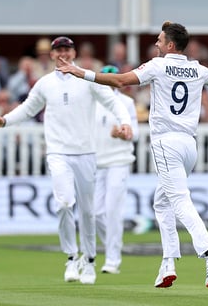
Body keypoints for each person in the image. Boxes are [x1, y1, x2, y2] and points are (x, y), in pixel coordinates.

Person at [57, 21, 208, 288]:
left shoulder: (157, 66)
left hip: (166, 142)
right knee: (162, 203)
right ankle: (168, 263)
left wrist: (80, 72)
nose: (157, 43)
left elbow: (121, 80)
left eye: (160, 40)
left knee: (179, 200)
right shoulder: (197, 68)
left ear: (170, 44)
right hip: (188, 146)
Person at [0, 36, 133, 285]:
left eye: (67, 49)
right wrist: (5, 120)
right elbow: (28, 108)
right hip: (58, 152)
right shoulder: (45, 83)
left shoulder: (88, 78)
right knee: (64, 203)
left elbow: (113, 102)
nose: (63, 54)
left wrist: (126, 122)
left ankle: (88, 260)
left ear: (74, 52)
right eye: (59, 50)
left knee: (87, 211)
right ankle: (70, 257)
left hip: (86, 153)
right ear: (52, 55)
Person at [91, 65, 139, 275]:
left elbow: (134, 133)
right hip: (96, 162)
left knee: (112, 210)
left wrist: (122, 133)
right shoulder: (92, 103)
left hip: (119, 161)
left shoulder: (126, 102)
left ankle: (112, 260)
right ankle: (113, 244)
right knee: (95, 213)